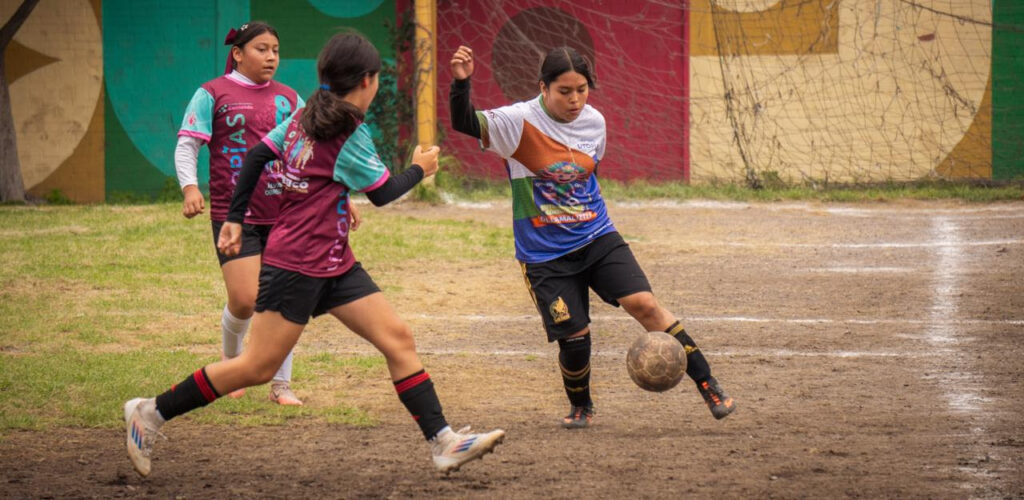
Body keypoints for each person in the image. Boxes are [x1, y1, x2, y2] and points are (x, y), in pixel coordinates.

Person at [125, 32, 505, 478]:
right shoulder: (346, 131)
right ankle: (149, 412)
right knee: (256, 367)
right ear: (367, 81)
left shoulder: (306, 115)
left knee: (397, 338)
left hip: (334, 261)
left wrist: (235, 216)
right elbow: (382, 193)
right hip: (297, 265)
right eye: (378, 77)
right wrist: (421, 168)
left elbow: (254, 158)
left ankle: (445, 442)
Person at [448, 45, 736, 428]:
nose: (575, 99)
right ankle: (581, 406)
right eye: (565, 91)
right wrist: (461, 83)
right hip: (544, 253)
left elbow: (588, 177)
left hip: (596, 235)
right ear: (543, 88)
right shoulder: (517, 121)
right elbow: (464, 122)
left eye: (582, 89)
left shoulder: (595, 123)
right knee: (575, 336)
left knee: (645, 305)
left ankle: (708, 384)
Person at [175, 21, 336, 405]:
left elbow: (311, 153)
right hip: (236, 217)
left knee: (282, 299)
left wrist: (333, 197)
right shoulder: (212, 93)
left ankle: (282, 384)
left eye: (276, 50)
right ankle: (232, 366)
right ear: (238, 53)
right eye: (262, 49)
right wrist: (190, 186)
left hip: (285, 214)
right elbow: (187, 145)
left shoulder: (289, 99)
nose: (271, 57)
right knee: (246, 299)